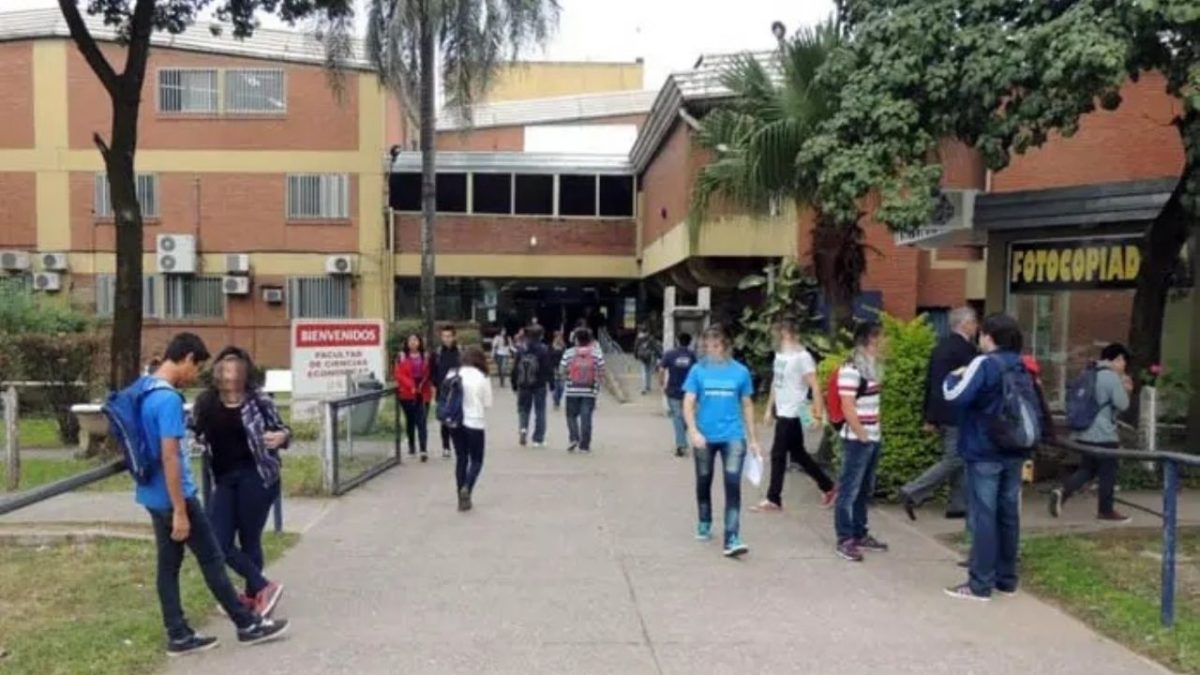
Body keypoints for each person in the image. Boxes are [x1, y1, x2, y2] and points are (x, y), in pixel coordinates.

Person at [136, 333, 287, 655]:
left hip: (153, 494)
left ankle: (178, 634)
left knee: (169, 567)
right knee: (213, 559)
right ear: (188, 358)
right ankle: (248, 622)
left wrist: (281, 437)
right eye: (198, 366)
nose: (197, 375)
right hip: (176, 497)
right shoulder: (168, 399)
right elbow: (170, 456)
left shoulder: (144, 390)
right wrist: (180, 508)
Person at [942, 313, 1036, 601]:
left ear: (989, 337)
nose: (979, 339)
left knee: (984, 514)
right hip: (1015, 447)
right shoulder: (1021, 364)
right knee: (1009, 514)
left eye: (981, 334)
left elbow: (955, 395)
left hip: (984, 449)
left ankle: (979, 583)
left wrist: (951, 376)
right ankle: (1006, 580)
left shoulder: (984, 363)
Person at [192, 347, 289, 619]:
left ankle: (253, 596)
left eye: (236, 368)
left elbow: (284, 430)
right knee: (217, 540)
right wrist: (193, 440)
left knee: (250, 539)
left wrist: (282, 437)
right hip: (223, 480)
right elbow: (193, 430)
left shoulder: (258, 401)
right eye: (225, 368)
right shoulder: (206, 402)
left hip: (257, 477)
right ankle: (263, 586)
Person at [682, 324, 762, 558]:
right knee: (704, 480)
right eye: (707, 345)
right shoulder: (698, 371)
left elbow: (747, 405)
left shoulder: (741, 372)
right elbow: (688, 403)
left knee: (733, 485)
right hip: (705, 437)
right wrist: (693, 431)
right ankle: (704, 520)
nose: (711, 350)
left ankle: (732, 538)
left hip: (733, 436)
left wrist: (753, 439)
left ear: (726, 345)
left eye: (716, 345)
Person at [900, 307, 979, 521]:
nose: (976, 326)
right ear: (965, 324)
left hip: (944, 411)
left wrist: (930, 416)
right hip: (958, 411)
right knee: (954, 458)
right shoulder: (966, 350)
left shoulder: (941, 346)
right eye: (974, 322)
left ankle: (957, 505)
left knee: (959, 458)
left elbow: (932, 384)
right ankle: (912, 491)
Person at [755, 320, 836, 513]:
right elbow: (777, 380)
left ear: (786, 333)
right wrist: (769, 408)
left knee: (777, 455)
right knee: (798, 454)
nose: (773, 338)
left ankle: (773, 498)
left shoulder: (803, 357)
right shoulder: (780, 355)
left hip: (793, 412)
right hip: (782, 410)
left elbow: (814, 385)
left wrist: (817, 414)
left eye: (776, 333)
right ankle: (829, 486)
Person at [1049, 343, 1134, 523]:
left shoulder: (1088, 373)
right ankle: (1106, 510)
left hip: (1083, 432)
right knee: (1108, 472)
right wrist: (1126, 388)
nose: (1124, 365)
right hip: (1103, 434)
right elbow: (1123, 404)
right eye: (1123, 361)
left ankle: (1063, 491)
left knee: (1087, 469)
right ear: (1117, 359)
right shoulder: (1111, 377)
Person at [833, 322, 888, 563]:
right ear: (870, 340)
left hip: (872, 436)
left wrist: (876, 431)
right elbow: (847, 405)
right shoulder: (851, 369)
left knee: (864, 489)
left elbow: (873, 403)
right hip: (858, 439)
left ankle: (859, 532)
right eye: (881, 338)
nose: (885, 343)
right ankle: (845, 538)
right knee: (849, 490)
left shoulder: (872, 368)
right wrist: (862, 434)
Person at [452, 347, 494, 511]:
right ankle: (467, 488)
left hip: (455, 421)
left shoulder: (454, 373)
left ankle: (460, 496)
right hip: (474, 421)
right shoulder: (482, 377)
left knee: (461, 458)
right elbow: (488, 403)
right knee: (476, 459)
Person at [559, 328, 606, 453]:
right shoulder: (596, 353)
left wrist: (566, 380)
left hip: (572, 389)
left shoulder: (569, 353)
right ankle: (584, 445)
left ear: (576, 339)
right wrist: (598, 386)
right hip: (589, 390)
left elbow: (561, 370)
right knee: (586, 417)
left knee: (571, 416)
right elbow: (601, 371)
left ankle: (574, 437)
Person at [394, 334, 433, 462]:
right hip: (406, 392)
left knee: (422, 421)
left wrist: (422, 384)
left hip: (422, 391)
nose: (413, 343)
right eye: (410, 340)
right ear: (407, 342)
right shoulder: (402, 356)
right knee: (410, 420)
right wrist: (411, 386)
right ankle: (411, 446)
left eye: (416, 340)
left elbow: (429, 372)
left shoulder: (425, 356)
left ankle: (423, 450)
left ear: (420, 342)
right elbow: (398, 374)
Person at [514, 325, 554, 447]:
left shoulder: (521, 349)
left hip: (524, 384)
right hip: (540, 384)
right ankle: (538, 438)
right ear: (541, 335)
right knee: (540, 411)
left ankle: (523, 429)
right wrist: (551, 383)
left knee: (523, 409)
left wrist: (514, 383)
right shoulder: (544, 349)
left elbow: (515, 368)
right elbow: (548, 368)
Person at [659, 332, 698, 457]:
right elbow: (697, 372)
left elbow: (661, 369)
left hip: (673, 390)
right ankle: (681, 442)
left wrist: (661, 383)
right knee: (685, 416)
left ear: (677, 340)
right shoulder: (692, 356)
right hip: (689, 391)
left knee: (677, 417)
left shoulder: (670, 354)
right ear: (690, 342)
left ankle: (681, 444)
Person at [432, 324, 462, 460]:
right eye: (444, 336)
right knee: (444, 420)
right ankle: (446, 447)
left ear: (454, 337)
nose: (446, 339)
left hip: (458, 391)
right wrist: (435, 386)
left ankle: (459, 445)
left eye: (449, 336)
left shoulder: (461, 352)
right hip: (442, 392)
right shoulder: (437, 353)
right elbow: (432, 372)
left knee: (458, 419)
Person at [634, 325, 661, 395]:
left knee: (644, 371)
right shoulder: (650, 338)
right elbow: (655, 347)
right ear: (647, 331)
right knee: (649, 371)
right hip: (650, 356)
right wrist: (660, 355)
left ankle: (644, 388)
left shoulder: (638, 338)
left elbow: (636, 347)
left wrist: (636, 355)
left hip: (642, 356)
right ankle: (648, 386)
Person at [550, 330, 567, 411]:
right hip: (554, 368)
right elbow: (549, 358)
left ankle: (557, 399)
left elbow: (566, 358)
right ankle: (556, 401)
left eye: (560, 337)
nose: (558, 339)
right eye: (557, 337)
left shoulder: (564, 347)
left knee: (562, 387)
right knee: (556, 385)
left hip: (562, 368)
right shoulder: (552, 347)